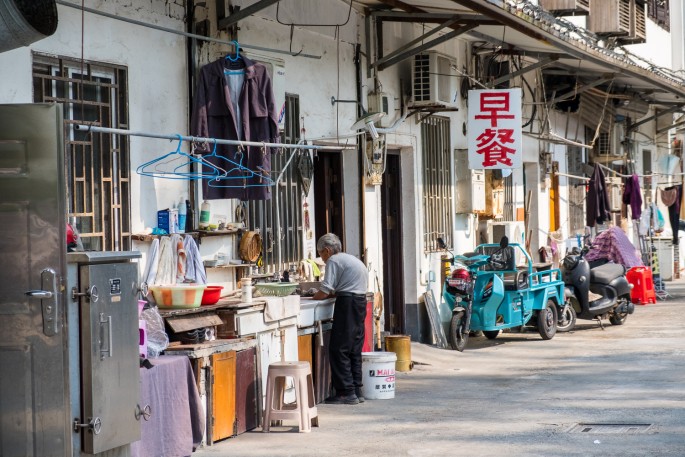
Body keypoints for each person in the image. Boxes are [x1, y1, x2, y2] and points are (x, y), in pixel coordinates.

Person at [312, 233, 368, 405]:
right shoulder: (351, 259)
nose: (322, 259)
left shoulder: (334, 261)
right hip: (360, 302)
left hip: (348, 303)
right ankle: (357, 390)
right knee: (353, 348)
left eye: (321, 254)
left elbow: (325, 290)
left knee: (339, 349)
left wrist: (312, 296)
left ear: (327, 251)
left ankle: (345, 392)